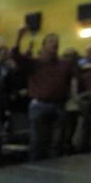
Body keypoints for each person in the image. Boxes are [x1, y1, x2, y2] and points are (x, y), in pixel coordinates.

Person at [13, 27, 75, 161]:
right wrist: (19, 38)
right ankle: (36, 170)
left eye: (56, 41)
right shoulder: (35, 63)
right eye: (51, 41)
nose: (54, 43)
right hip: (40, 105)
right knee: (37, 142)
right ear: (44, 45)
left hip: (58, 105)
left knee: (56, 142)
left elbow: (70, 82)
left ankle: (54, 172)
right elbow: (16, 56)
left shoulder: (64, 64)